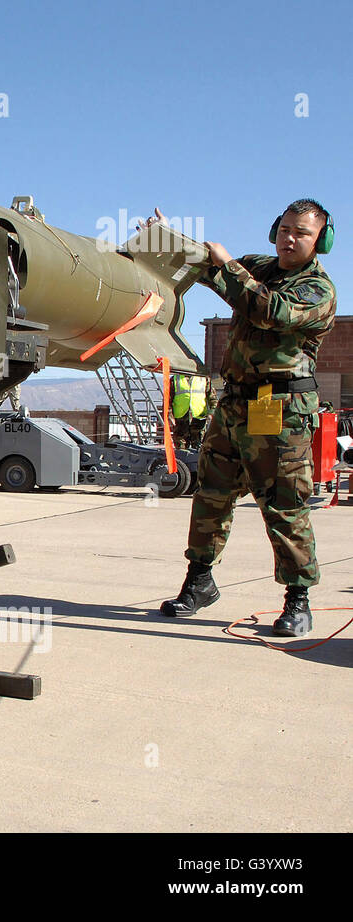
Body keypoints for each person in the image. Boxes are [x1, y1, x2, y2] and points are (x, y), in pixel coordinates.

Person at [157, 200, 337, 637]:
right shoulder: (260, 266)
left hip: (279, 410)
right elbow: (207, 270)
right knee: (211, 496)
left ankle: (298, 600)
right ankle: (199, 582)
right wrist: (169, 240)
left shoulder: (317, 289)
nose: (290, 239)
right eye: (285, 229)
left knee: (282, 504)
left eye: (302, 233)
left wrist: (230, 267)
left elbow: (271, 312)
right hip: (234, 403)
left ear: (320, 242)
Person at [170, 372, 211, 448]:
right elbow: (168, 400)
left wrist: (212, 414)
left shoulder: (204, 379)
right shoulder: (175, 379)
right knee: (180, 452)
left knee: (199, 450)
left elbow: (212, 399)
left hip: (199, 422)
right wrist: (169, 417)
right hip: (181, 422)